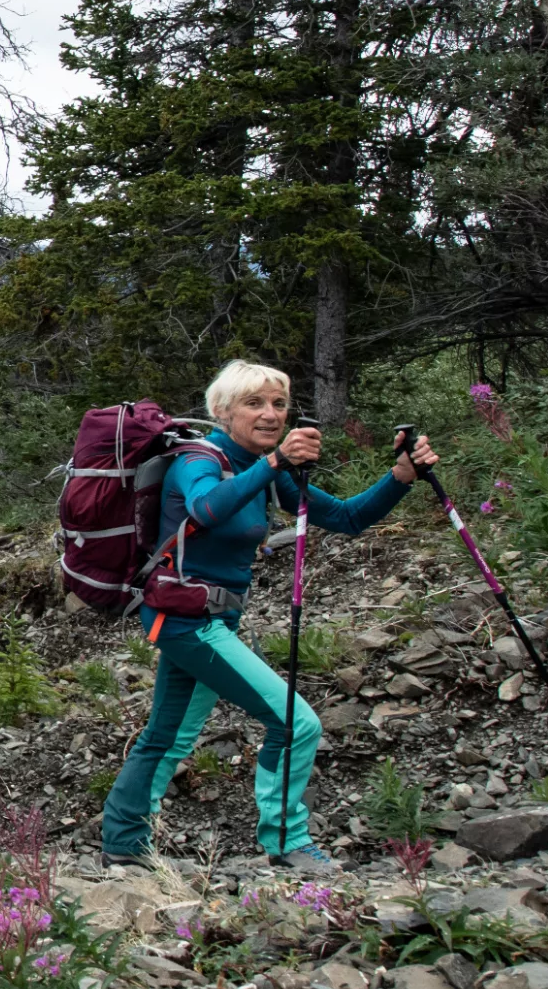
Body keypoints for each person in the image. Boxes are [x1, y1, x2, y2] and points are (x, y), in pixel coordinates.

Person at [97, 360, 439, 868]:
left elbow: (346, 518)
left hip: (208, 621)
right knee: (296, 724)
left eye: (279, 404)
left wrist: (401, 476)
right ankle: (287, 842)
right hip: (189, 622)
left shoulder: (263, 469)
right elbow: (206, 509)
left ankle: (123, 847)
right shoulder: (199, 459)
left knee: (167, 736)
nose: (270, 414)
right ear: (222, 411)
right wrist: (275, 463)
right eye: (254, 403)